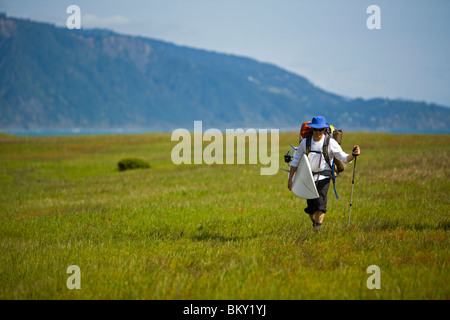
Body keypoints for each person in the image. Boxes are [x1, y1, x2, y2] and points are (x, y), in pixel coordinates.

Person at [287, 116, 360, 231]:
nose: (318, 132)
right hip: (308, 177)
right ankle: (315, 223)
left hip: (324, 177)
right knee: (311, 209)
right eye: (315, 129)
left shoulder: (330, 143)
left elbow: (344, 158)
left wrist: (353, 154)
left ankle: (317, 230)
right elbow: (295, 161)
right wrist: (290, 179)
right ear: (312, 129)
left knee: (321, 205)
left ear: (324, 130)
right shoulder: (305, 142)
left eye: (320, 129)